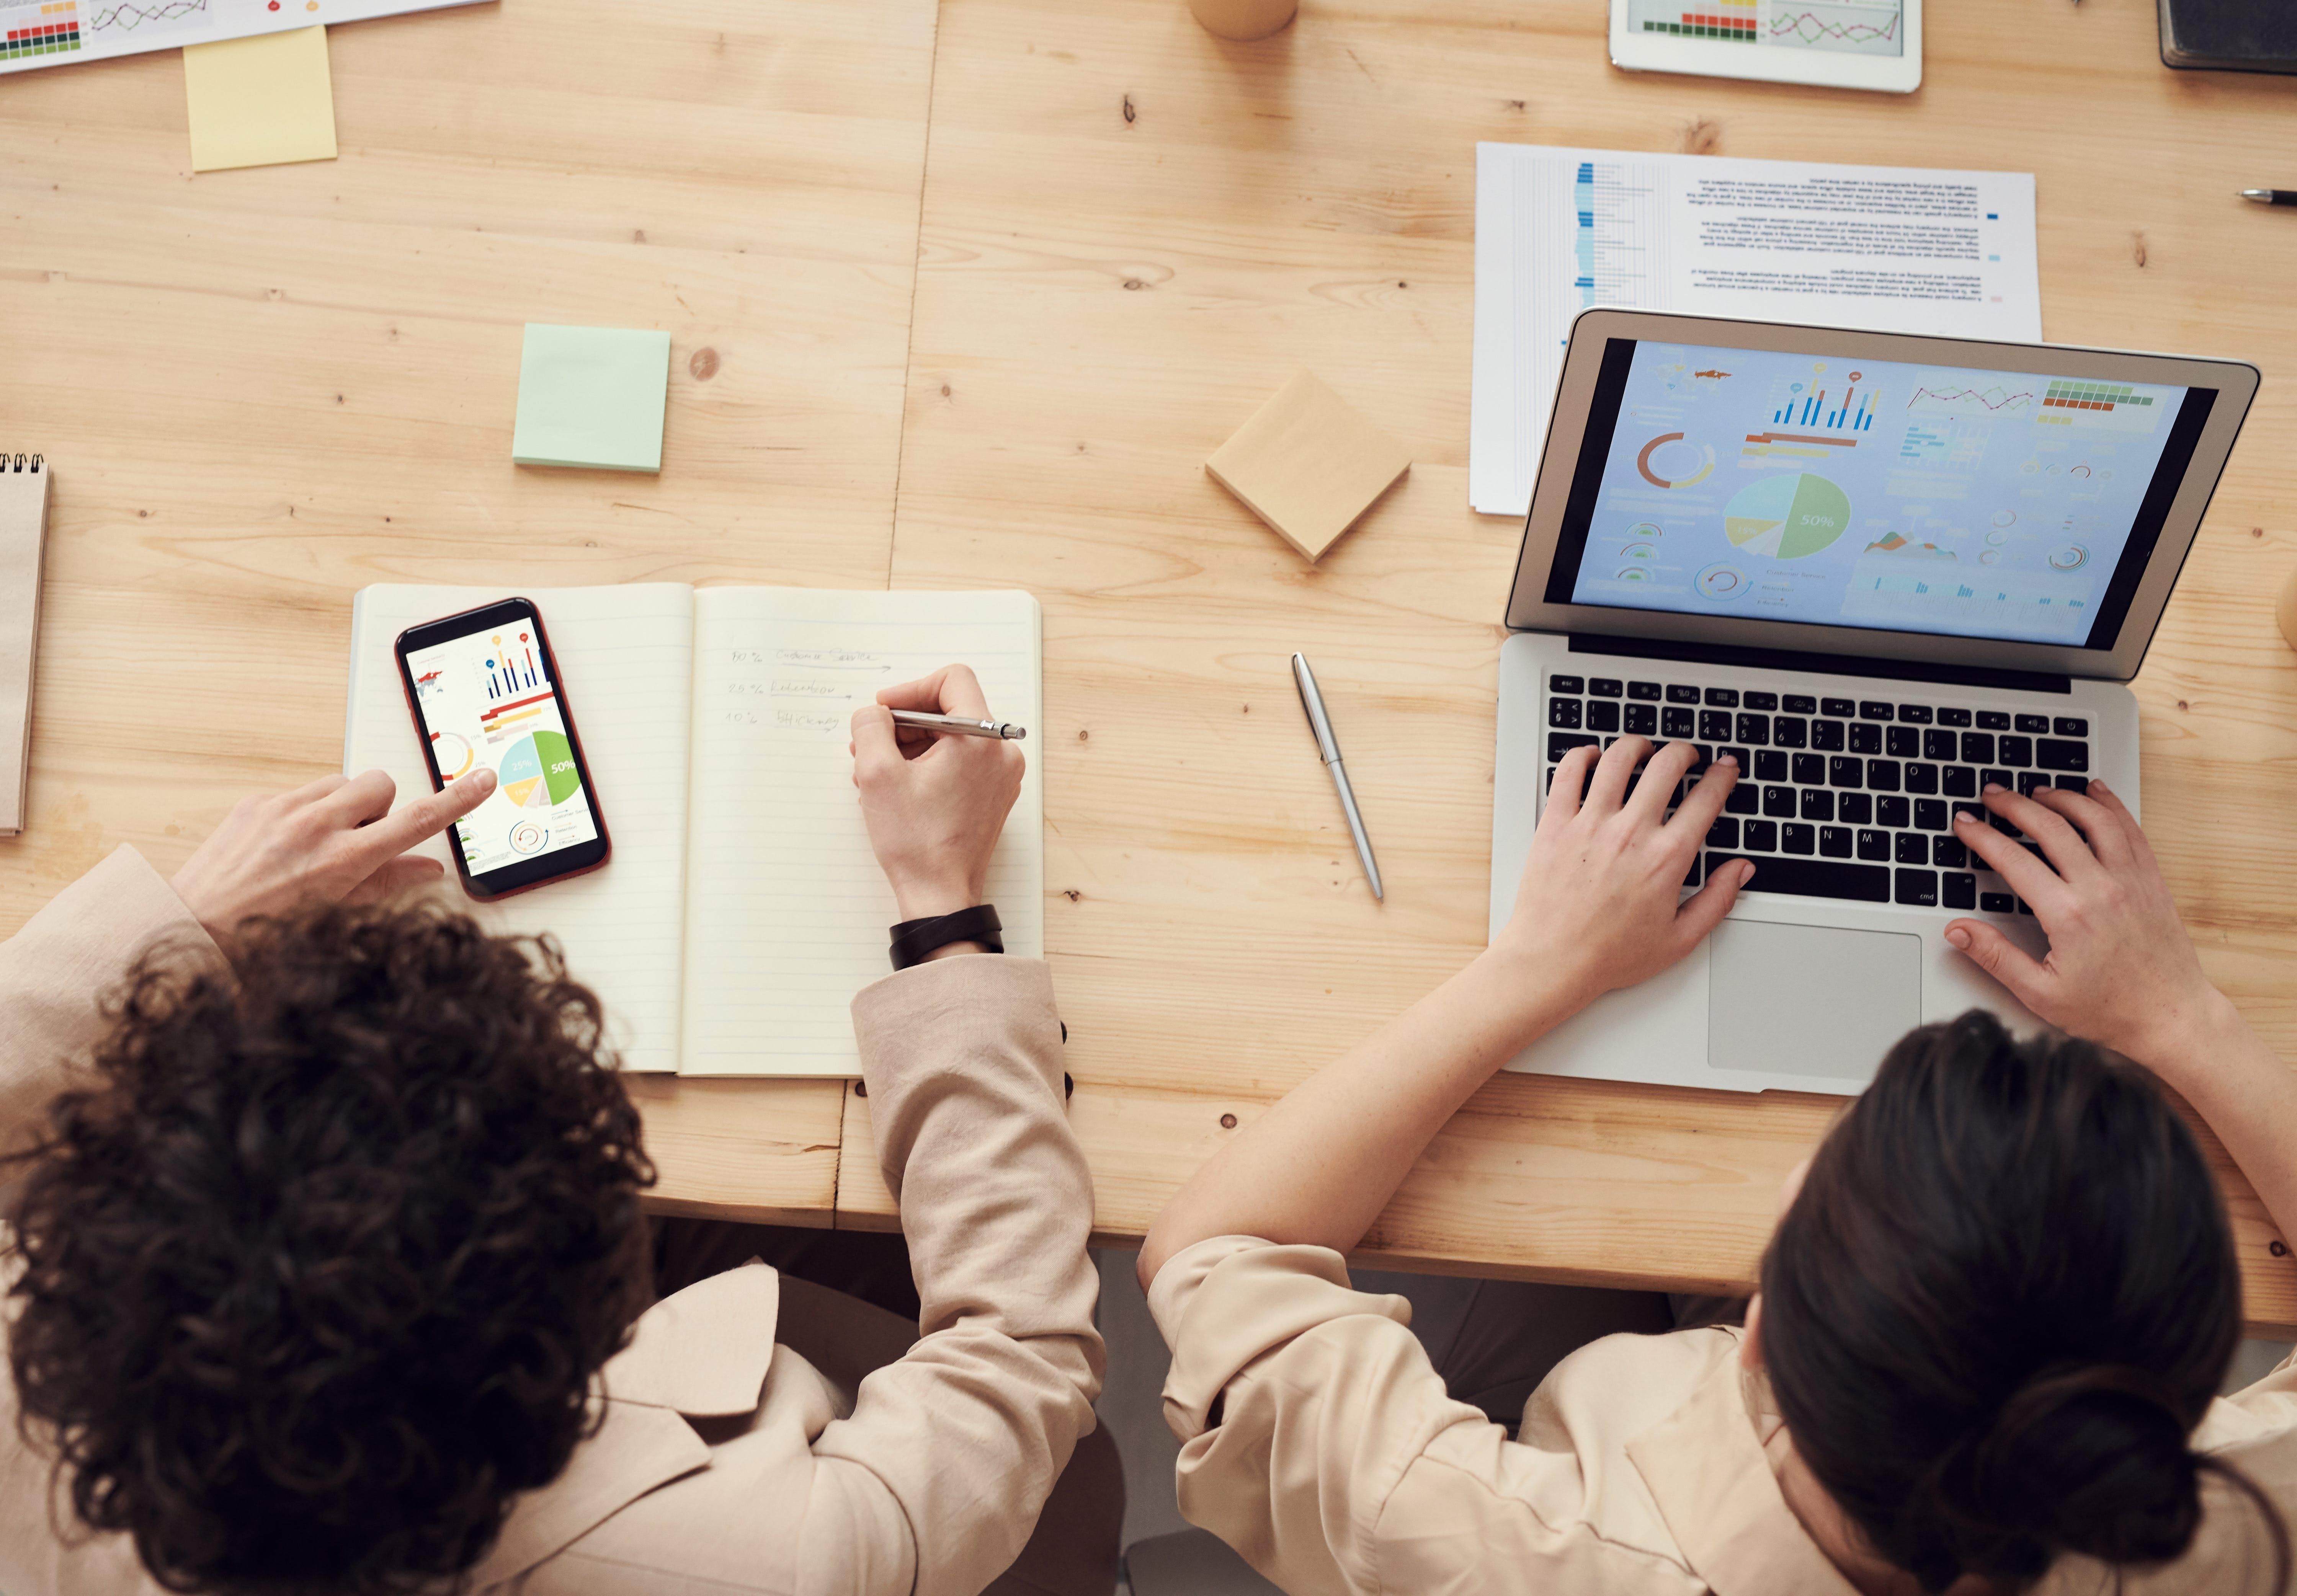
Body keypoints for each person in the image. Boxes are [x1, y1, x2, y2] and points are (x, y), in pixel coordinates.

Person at [0, 666, 1116, 1596]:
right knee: (1087, 1480)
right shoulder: (765, 1561)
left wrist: (183, 925)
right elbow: (1016, 1361)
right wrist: (946, 911)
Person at [1139, 733, 2297, 1595]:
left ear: (1756, 1327)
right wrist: (2182, 1017)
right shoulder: (2241, 1528)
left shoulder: (1504, 1545)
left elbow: (1213, 1251)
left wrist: (1536, 966)